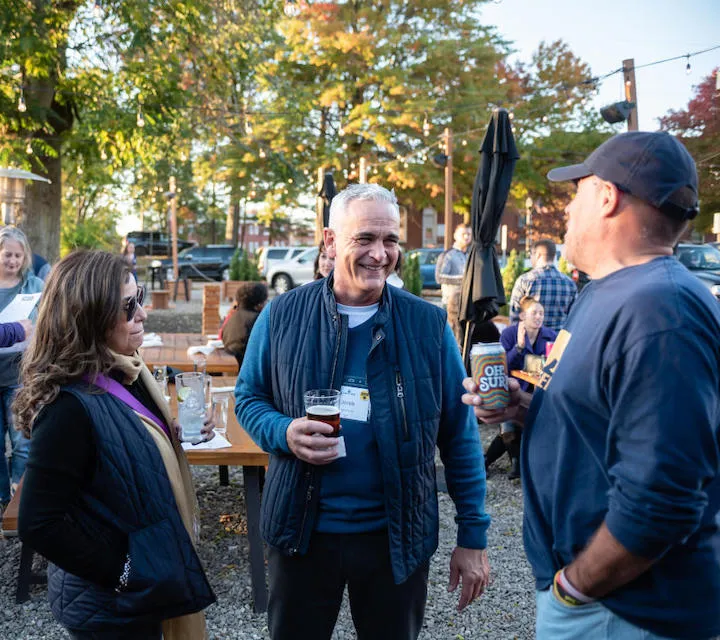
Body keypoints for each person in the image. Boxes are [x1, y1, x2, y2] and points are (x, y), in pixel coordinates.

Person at [462, 131, 720, 640]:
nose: (567, 210)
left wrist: (573, 589)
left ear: (607, 197)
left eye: (575, 193)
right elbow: (599, 413)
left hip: (626, 611)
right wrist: (525, 407)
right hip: (607, 605)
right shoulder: (607, 292)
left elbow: (663, 496)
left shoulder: (660, 309)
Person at [236, 183, 491, 640]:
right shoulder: (282, 316)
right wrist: (283, 431)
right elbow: (249, 398)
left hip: (395, 538)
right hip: (302, 534)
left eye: (390, 240)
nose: (380, 254)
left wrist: (472, 535)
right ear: (331, 242)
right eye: (365, 239)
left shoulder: (427, 325)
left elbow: (459, 436)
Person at [16, 250, 216, 639]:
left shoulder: (126, 368)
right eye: (128, 306)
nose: (142, 313)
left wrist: (167, 433)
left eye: (138, 296)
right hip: (112, 606)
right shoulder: (68, 408)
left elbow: (121, 436)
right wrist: (125, 572)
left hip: (145, 580)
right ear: (89, 316)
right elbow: (39, 523)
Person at [484, 297, 557, 480]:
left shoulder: (550, 336)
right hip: (514, 388)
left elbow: (556, 363)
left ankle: (506, 462)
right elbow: (503, 365)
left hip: (539, 391)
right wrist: (519, 347)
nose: (539, 317)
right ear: (523, 315)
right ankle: (514, 463)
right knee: (511, 427)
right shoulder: (509, 334)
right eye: (534, 313)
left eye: (541, 313)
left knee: (519, 426)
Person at [0, 226, 43, 510]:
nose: (12, 261)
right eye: (7, 255)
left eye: (17, 255)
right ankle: (3, 497)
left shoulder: (34, 286)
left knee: (23, 440)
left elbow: (45, 324)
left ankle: (19, 494)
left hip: (20, 373)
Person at [509, 239, 576, 331]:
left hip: (531, 341)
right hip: (559, 342)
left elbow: (514, 316)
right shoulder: (570, 283)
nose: (530, 258)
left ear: (538, 255)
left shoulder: (525, 281)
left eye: (531, 254)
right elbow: (574, 318)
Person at [435, 222, 472, 344]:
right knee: (449, 340)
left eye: (469, 234)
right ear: (455, 235)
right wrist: (463, 279)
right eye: (463, 234)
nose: (466, 237)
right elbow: (439, 277)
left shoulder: (471, 255)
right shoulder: (447, 255)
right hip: (449, 305)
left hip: (465, 304)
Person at [220, 281, 269, 368]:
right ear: (259, 304)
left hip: (233, 365)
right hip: (247, 369)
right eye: (266, 301)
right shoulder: (258, 320)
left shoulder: (232, 317)